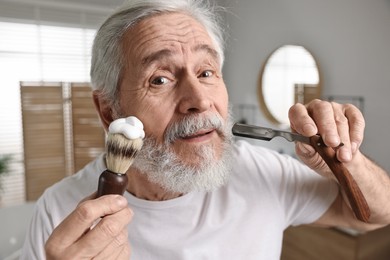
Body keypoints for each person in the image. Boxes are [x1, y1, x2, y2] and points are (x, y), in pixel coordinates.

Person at [22, 0, 390, 259]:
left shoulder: (262, 171)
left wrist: (346, 162)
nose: (199, 99)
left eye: (206, 72)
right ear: (108, 111)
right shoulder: (61, 212)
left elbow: (376, 216)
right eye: (161, 79)